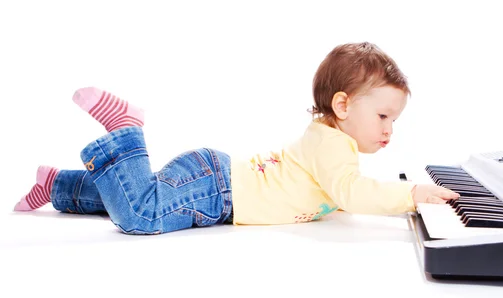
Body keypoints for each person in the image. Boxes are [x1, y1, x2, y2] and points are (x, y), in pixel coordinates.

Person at [14, 42, 459, 235]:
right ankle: (127, 130)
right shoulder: (332, 145)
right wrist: (412, 195)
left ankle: (58, 185)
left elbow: (336, 192)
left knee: (137, 194)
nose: (389, 129)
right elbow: (353, 192)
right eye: (383, 115)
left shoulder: (328, 139)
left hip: (216, 178)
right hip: (220, 190)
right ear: (342, 106)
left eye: (393, 120)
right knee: (141, 215)